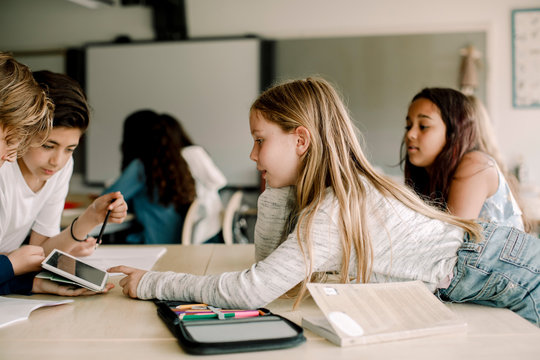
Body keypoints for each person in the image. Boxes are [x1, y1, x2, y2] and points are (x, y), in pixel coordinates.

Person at [110, 78, 539, 326]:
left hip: (504, 264)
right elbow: (270, 266)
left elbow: (252, 289)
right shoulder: (330, 198)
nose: (252, 155)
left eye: (260, 141)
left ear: (301, 140)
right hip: (486, 266)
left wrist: (151, 282)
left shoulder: (334, 208)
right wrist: (276, 185)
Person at [0, 70, 126, 295]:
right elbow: (21, 262)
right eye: (48, 146)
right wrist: (18, 272)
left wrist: (91, 218)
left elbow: (38, 254)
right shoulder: (4, 167)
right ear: (23, 131)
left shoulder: (59, 167)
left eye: (70, 149)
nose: (57, 161)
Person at [401, 87, 527, 231]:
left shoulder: (476, 165)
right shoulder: (426, 175)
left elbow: (451, 242)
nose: (410, 134)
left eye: (423, 126)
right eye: (408, 126)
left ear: (453, 133)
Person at [104, 110, 226, 244]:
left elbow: (105, 199)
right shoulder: (175, 166)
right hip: (176, 242)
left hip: (155, 243)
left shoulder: (141, 167)